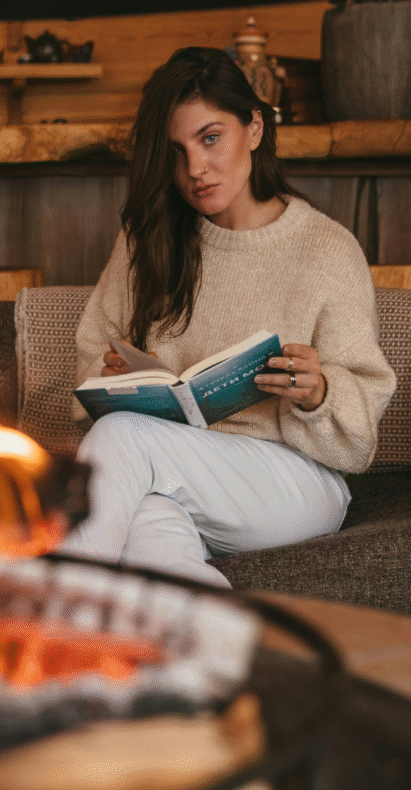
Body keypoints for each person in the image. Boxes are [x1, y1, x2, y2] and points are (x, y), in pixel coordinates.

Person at [58, 47, 396, 588]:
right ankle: (210, 628)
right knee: (153, 538)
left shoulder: (326, 249)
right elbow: (89, 364)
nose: (194, 169)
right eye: (176, 151)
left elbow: (360, 435)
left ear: (254, 128)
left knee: (124, 439)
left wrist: (319, 392)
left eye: (210, 138)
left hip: (294, 481)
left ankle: (46, 602)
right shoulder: (148, 240)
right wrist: (111, 379)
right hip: (176, 473)